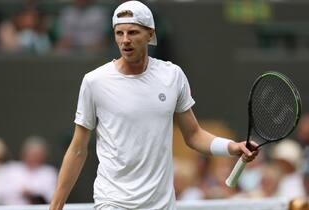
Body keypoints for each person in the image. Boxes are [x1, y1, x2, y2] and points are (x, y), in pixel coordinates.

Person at [49, 1, 258, 209]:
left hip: (161, 204)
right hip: (112, 202)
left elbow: (193, 135)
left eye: (132, 32)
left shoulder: (172, 76)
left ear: (150, 34)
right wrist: (56, 206)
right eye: (119, 33)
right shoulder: (94, 81)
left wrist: (232, 147)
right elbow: (77, 149)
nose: (125, 40)